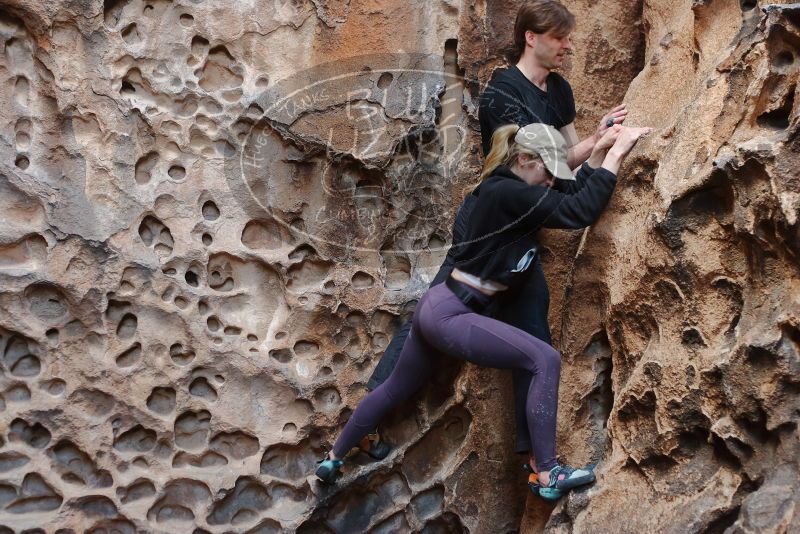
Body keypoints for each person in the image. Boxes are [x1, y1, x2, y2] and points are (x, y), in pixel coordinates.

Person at [364, 0, 627, 488]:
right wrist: (597, 151)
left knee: (534, 332)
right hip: (496, 218)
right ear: (532, 37)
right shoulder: (503, 93)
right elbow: (534, 163)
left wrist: (596, 140)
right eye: (560, 37)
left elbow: (563, 163)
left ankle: (537, 461)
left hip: (528, 230)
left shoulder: (560, 90)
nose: (568, 45)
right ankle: (369, 412)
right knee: (435, 310)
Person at [317, 122, 652, 501]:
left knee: (398, 386)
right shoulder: (507, 191)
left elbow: (570, 194)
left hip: (440, 305)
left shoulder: (514, 190)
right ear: (524, 159)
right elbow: (580, 211)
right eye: (547, 172)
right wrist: (619, 152)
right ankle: (547, 473)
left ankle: (332, 459)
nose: (550, 182)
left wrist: (596, 154)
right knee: (544, 359)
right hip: (451, 314)